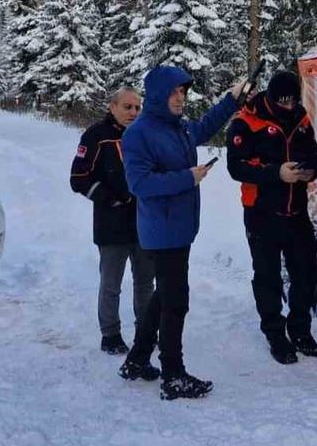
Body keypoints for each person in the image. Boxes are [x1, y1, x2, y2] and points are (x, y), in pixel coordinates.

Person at [118, 66, 244, 400]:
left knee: (164, 296)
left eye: (184, 93)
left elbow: (205, 126)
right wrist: (187, 178)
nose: (181, 98)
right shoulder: (138, 134)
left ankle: (136, 360)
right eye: (175, 92)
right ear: (159, 94)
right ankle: (173, 375)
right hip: (162, 230)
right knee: (176, 301)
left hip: (181, 227)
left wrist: (231, 100)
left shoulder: (179, 129)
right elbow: (139, 183)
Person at [226, 71, 317, 365]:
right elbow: (236, 167)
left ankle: (300, 330)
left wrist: (311, 171)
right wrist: (276, 173)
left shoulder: (301, 118)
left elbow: (314, 155)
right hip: (261, 212)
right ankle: (274, 333)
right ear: (270, 98)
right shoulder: (246, 121)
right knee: (268, 276)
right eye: (283, 102)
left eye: (292, 101)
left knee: (306, 274)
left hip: (297, 211)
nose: (288, 106)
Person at [69, 87, 152, 355]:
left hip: (144, 223)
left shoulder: (144, 135)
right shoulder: (96, 136)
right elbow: (78, 178)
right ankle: (110, 334)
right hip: (111, 224)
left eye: (137, 108)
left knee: (145, 283)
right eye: (127, 107)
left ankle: (146, 330)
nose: (133, 113)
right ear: (112, 107)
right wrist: (110, 198)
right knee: (111, 284)